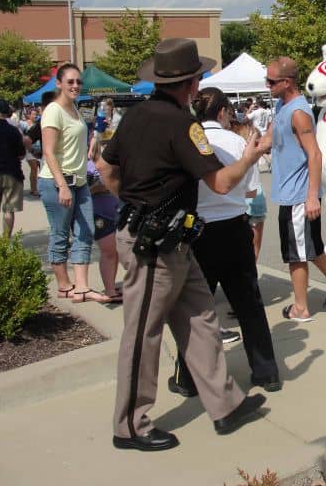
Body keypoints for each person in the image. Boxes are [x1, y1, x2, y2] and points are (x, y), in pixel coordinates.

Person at [97, 38, 268, 451]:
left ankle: (225, 405)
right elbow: (222, 182)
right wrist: (250, 155)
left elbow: (105, 168)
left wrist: (134, 205)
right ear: (192, 82)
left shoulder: (135, 116)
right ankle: (130, 426)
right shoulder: (181, 123)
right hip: (155, 246)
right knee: (143, 333)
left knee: (200, 317)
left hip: (166, 239)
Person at [169, 86, 281, 398]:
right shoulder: (236, 142)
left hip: (198, 230)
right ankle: (265, 370)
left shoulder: (188, 141)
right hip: (233, 227)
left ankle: (188, 378)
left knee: (193, 310)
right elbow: (250, 190)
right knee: (249, 303)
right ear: (222, 112)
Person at [262, 56, 326, 322]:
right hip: (292, 194)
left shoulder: (299, 113)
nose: (267, 85)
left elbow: (315, 154)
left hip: (299, 196)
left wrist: (312, 196)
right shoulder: (281, 105)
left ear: (287, 83)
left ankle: (300, 308)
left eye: (271, 81)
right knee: (312, 249)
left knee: (296, 254)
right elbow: (270, 139)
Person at [39, 64, 108, 303]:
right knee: (60, 234)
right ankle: (64, 285)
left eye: (78, 81)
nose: (76, 86)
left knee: (85, 231)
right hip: (57, 182)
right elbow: (48, 152)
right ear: (58, 83)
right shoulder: (53, 110)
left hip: (80, 182)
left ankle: (82, 286)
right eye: (70, 82)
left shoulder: (76, 110)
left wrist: (90, 146)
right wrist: (62, 185)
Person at [86, 137, 122, 303]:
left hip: (118, 212)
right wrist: (101, 186)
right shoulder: (89, 168)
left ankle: (111, 287)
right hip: (100, 214)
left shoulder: (120, 165)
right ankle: (109, 291)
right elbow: (85, 191)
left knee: (115, 252)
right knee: (109, 250)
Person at [230, 119, 267, 260]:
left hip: (238, 199)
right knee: (254, 248)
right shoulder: (253, 152)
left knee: (237, 246)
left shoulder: (233, 152)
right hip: (254, 197)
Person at [0, 98, 26, 237]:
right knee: (9, 210)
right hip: (12, 173)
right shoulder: (14, 131)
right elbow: (22, 154)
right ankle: (5, 241)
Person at [22, 107, 41, 196]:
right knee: (34, 169)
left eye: (36, 114)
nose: (35, 116)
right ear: (29, 115)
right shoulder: (24, 124)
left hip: (40, 150)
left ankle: (38, 187)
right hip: (30, 150)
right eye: (33, 114)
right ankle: (34, 189)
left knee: (39, 170)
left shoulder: (39, 124)